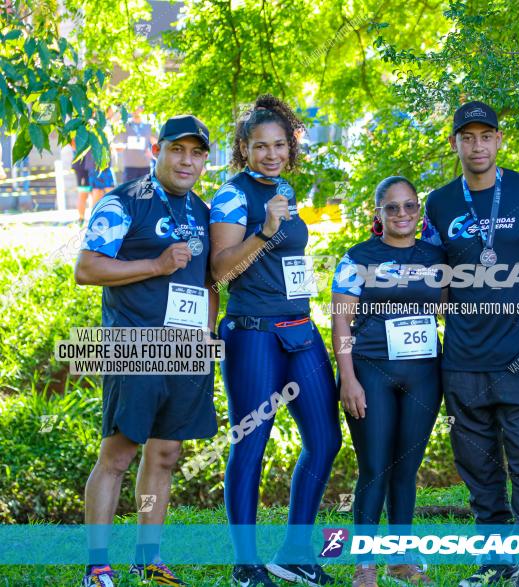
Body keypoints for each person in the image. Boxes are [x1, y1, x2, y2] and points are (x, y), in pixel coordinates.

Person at [420, 101, 519, 587]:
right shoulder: (439, 203)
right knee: (477, 466)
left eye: (486, 135)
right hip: (464, 360)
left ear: (499, 140)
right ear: (455, 144)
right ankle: (494, 559)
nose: (478, 145)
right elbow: (433, 278)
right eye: (467, 137)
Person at [74, 115, 217, 587]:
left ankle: (147, 558)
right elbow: (87, 268)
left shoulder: (202, 209)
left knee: (166, 455)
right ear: (157, 150)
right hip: (135, 344)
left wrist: (208, 332)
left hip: (186, 347)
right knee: (118, 454)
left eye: (197, 153)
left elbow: (208, 281)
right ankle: (97, 566)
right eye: (178, 150)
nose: (187, 161)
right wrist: (155, 264)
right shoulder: (121, 203)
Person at [209, 94, 341, 587]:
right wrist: (264, 231)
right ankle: (246, 563)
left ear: (289, 148)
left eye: (279, 145)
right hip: (253, 335)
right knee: (251, 442)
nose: (271, 154)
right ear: (244, 148)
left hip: (299, 330)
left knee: (326, 439)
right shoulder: (232, 194)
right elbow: (221, 271)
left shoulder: (284, 187)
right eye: (260, 146)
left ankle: (293, 551)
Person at [331, 176, 445, 587]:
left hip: (424, 376)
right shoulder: (358, 257)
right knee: (375, 467)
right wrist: (348, 378)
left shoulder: (435, 258)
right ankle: (365, 564)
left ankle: (400, 558)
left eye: (409, 206)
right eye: (392, 207)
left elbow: (455, 313)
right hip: (371, 372)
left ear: (419, 211)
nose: (401, 214)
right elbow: (341, 319)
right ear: (377, 213)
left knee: (406, 467)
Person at [115, 106, 157, 183]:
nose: (135, 110)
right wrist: (121, 146)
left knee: (145, 193)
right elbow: (116, 143)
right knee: (129, 193)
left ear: (142, 109)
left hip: (145, 166)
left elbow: (156, 143)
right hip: (129, 166)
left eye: (138, 108)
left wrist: (152, 153)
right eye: (133, 108)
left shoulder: (148, 125)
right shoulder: (124, 125)